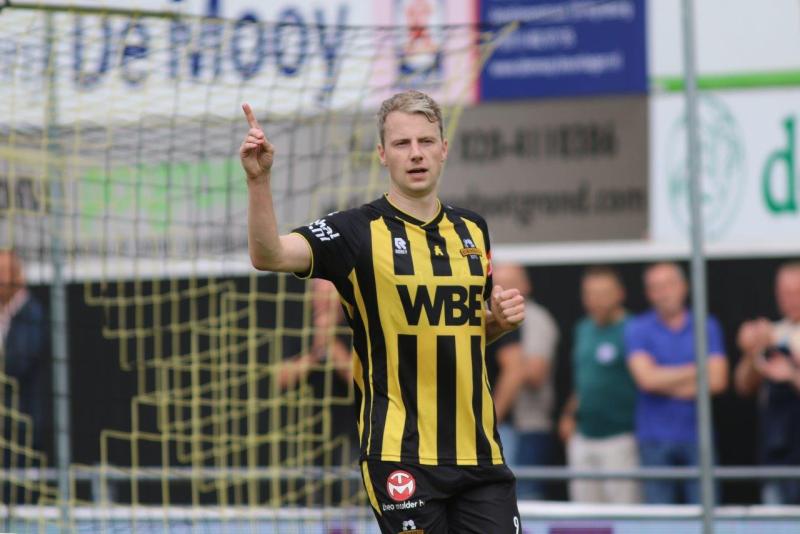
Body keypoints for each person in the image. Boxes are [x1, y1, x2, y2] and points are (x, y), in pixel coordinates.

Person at [240, 89, 525, 533]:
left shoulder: (473, 229)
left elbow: (460, 333)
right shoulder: (355, 231)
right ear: (382, 154)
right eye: (402, 143)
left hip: (479, 454)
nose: (416, 153)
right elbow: (269, 255)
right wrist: (259, 182)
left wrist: (497, 323)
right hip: (400, 455)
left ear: (444, 149)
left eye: (425, 141)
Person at [624, 262, 728, 504]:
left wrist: (662, 380)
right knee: (660, 518)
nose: (663, 293)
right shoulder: (638, 327)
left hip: (698, 436)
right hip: (653, 438)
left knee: (706, 510)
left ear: (684, 287)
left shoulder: (706, 325)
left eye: (668, 285)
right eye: (655, 287)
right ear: (648, 293)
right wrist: (697, 369)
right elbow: (646, 380)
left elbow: (718, 381)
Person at [558, 266, 639, 503]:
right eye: (590, 294)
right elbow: (584, 380)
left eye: (604, 293)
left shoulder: (634, 329)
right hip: (583, 436)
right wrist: (569, 413)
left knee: (623, 511)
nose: (596, 300)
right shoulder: (582, 329)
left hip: (621, 437)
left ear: (620, 293)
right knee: (585, 514)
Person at [490, 263, 558, 500]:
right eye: (499, 283)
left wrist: (507, 358)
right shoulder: (492, 314)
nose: (503, 289)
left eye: (511, 283)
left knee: (525, 498)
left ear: (526, 285)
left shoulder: (535, 318)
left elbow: (534, 373)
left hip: (526, 426)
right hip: (505, 425)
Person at [735, 261, 800, 504]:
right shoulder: (773, 332)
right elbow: (743, 386)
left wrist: (791, 374)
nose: (790, 300)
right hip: (776, 454)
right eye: (785, 293)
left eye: (796, 292)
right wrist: (754, 352)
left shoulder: (782, 337)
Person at [1, 250, 47, 452]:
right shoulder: (4, 313)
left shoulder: (32, 313)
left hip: (23, 424)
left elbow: (18, 363)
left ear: (16, 276)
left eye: (2, 272)